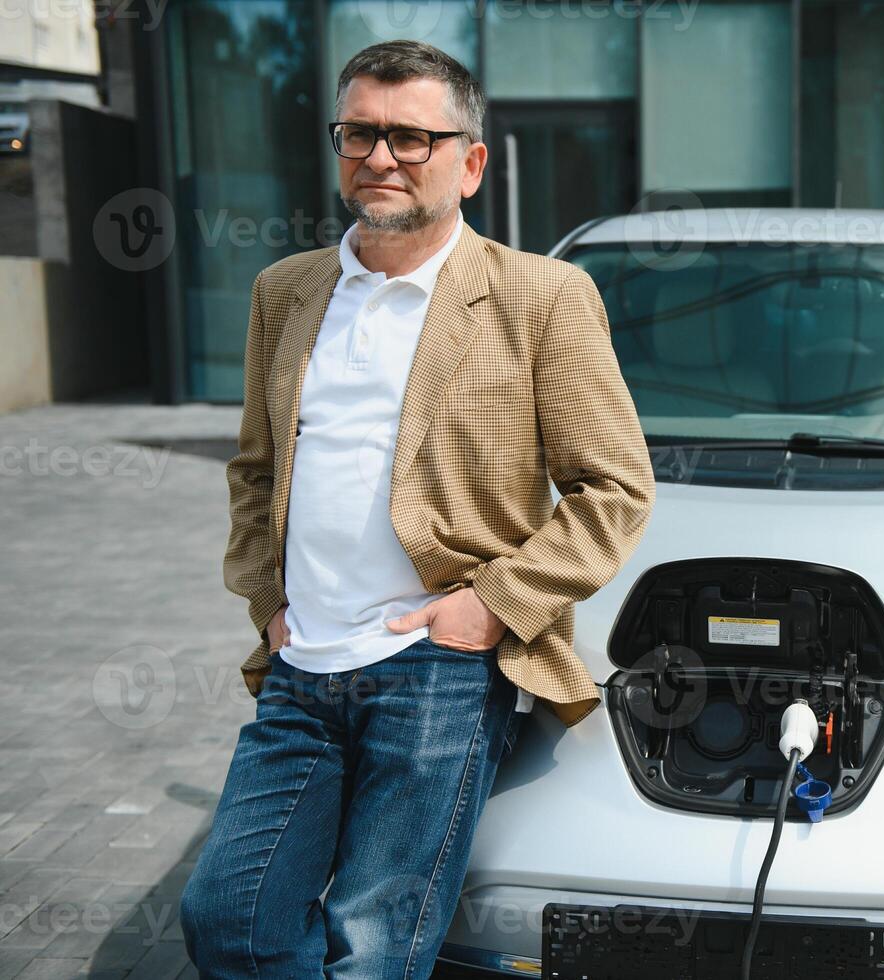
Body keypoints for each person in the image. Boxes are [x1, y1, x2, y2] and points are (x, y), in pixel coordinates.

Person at [179, 39, 655, 979]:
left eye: (410, 137)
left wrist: (492, 605)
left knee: (375, 942)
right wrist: (264, 599)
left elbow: (614, 489)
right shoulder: (287, 291)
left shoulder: (541, 297)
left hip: (434, 668)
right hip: (303, 662)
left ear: (470, 162)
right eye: (359, 133)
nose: (380, 157)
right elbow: (256, 468)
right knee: (227, 916)